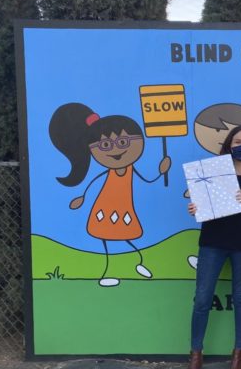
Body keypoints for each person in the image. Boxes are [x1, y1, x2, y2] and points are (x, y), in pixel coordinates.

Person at [48, 102, 170, 287]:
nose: (116, 149)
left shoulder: (131, 169)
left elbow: (148, 180)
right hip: (104, 208)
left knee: (126, 235)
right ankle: (108, 272)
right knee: (105, 237)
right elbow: (92, 185)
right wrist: (82, 199)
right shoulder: (108, 172)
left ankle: (139, 262)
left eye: (123, 142)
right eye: (105, 145)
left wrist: (161, 171)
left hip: (124, 209)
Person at [184, 125, 241, 369]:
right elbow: (202, 203)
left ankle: (238, 354)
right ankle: (196, 353)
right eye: (238, 140)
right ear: (229, 144)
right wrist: (195, 208)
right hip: (212, 240)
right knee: (202, 299)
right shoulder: (212, 170)